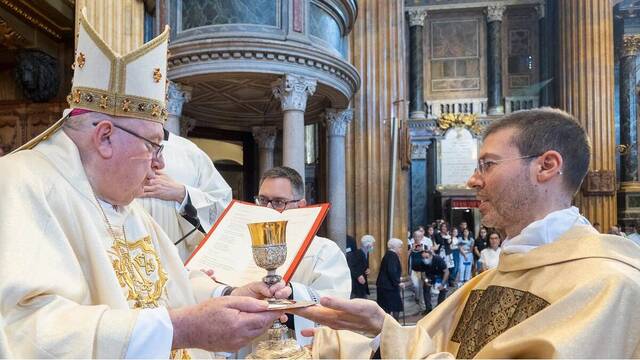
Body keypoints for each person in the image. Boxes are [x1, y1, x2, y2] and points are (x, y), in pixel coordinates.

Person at [0, 13, 288, 358]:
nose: (160, 163)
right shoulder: (21, 184)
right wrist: (181, 329)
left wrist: (229, 296)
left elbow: (170, 285)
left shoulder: (124, 205)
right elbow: (26, 332)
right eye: (153, 145)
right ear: (105, 137)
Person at [291, 108, 640, 358]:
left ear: (546, 166)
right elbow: (423, 343)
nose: (473, 180)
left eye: (487, 165)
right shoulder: (492, 278)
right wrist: (350, 337)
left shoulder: (607, 284)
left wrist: (386, 333)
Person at [254, 166, 351, 346]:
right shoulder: (247, 248)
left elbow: (335, 306)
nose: (267, 209)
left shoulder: (324, 250)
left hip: (300, 348)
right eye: (262, 200)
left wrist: (291, 293)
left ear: (301, 205)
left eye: (278, 202)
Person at [138, 131, 232, 261]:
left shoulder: (190, 152)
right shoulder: (119, 142)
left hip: (176, 260)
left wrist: (183, 194)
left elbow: (224, 207)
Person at [411, 250, 449, 315]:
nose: (425, 259)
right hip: (430, 275)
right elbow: (423, 274)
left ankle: (439, 308)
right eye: (423, 258)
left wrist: (442, 284)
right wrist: (426, 281)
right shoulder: (422, 262)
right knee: (426, 288)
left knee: (443, 290)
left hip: (440, 275)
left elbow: (446, 272)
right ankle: (428, 309)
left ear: (431, 256)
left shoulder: (438, 259)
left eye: (426, 257)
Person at [376, 238, 405, 319]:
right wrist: (398, 282)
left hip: (385, 286)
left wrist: (398, 278)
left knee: (386, 309)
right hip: (389, 288)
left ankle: (389, 326)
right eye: (400, 247)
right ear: (394, 247)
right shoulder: (392, 255)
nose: (401, 249)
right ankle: (394, 326)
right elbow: (391, 271)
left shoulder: (389, 255)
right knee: (395, 307)